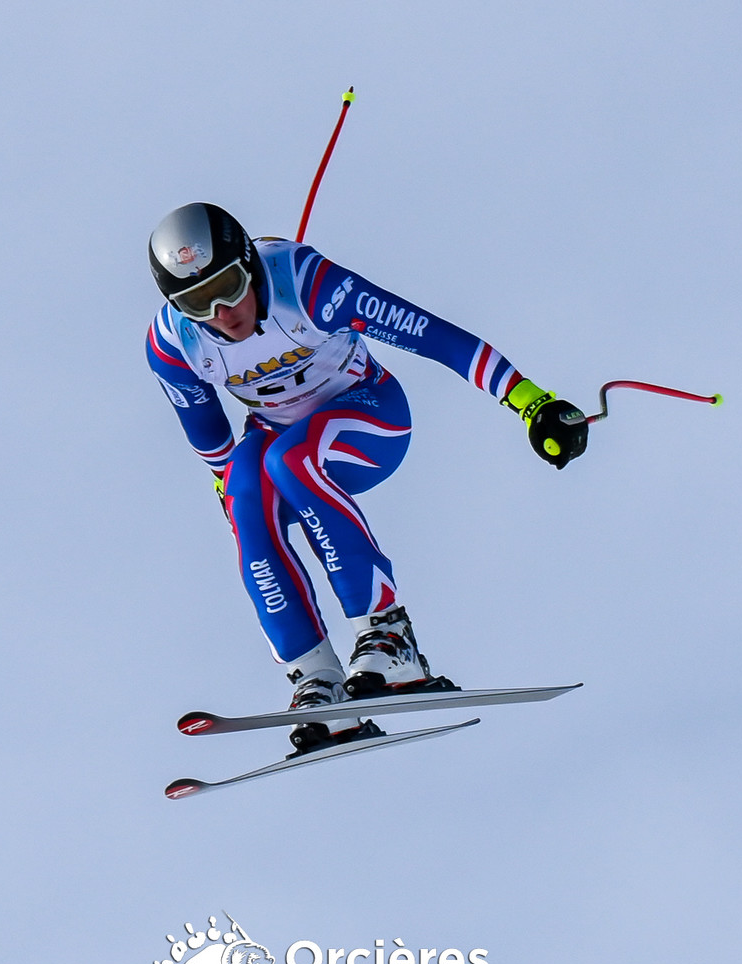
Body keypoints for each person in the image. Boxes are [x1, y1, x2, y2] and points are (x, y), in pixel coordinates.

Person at [146, 202, 587, 754]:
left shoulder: (308, 286)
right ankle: (316, 678)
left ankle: (390, 636)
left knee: (290, 460)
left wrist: (530, 401)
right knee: (243, 492)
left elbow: (432, 335)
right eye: (197, 302)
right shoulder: (174, 343)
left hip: (369, 417)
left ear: (250, 263)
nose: (222, 313)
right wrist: (230, 489)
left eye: (230, 287)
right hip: (278, 434)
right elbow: (207, 431)